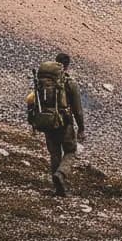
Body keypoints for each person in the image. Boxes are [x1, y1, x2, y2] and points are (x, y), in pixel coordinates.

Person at [26, 52, 84, 196]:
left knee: (54, 153)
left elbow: (31, 100)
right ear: (67, 66)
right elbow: (78, 110)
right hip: (64, 122)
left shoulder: (42, 82)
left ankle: (58, 189)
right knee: (70, 151)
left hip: (46, 120)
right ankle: (61, 174)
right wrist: (81, 128)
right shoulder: (69, 83)